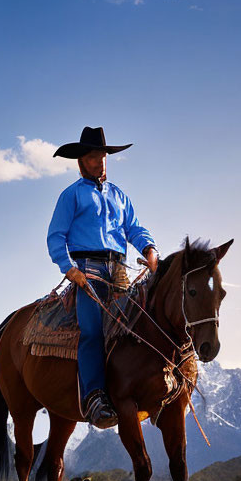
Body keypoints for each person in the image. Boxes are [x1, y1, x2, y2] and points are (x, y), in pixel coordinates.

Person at [47, 126, 158, 429]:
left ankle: (142, 387)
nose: (101, 162)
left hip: (120, 269)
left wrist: (149, 248)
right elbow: (55, 236)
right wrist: (68, 268)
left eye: (104, 156)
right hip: (87, 271)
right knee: (93, 332)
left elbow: (134, 227)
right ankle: (95, 396)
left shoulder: (120, 196)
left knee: (138, 326)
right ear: (81, 160)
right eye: (94, 157)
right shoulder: (71, 196)